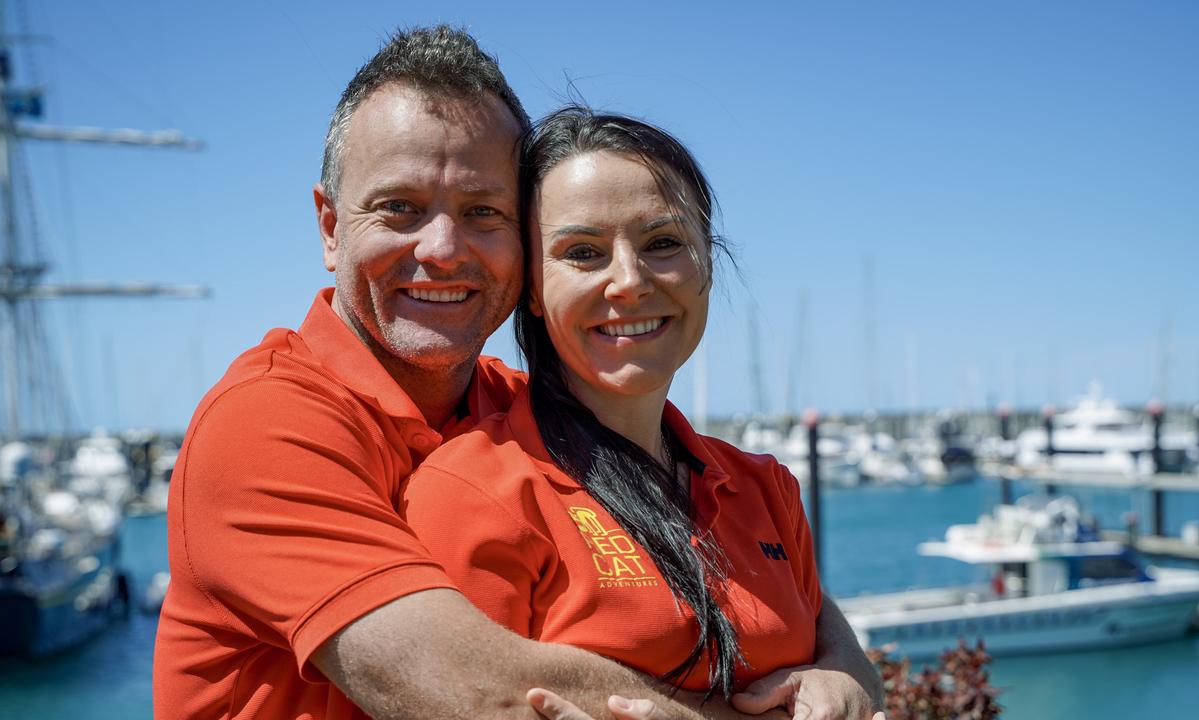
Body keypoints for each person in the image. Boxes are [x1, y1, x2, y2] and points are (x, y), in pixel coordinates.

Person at [153, 26, 884, 720]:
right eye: (400, 208)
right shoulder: (264, 425)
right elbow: (477, 690)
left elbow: (792, 593)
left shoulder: (522, 412)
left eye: (483, 211)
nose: (442, 248)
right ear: (328, 227)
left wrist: (848, 668)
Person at [401, 107, 881, 716]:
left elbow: (828, 655)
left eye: (662, 243)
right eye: (582, 252)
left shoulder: (768, 490)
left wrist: (848, 675)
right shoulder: (476, 492)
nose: (629, 281)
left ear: (707, 263)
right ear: (532, 288)